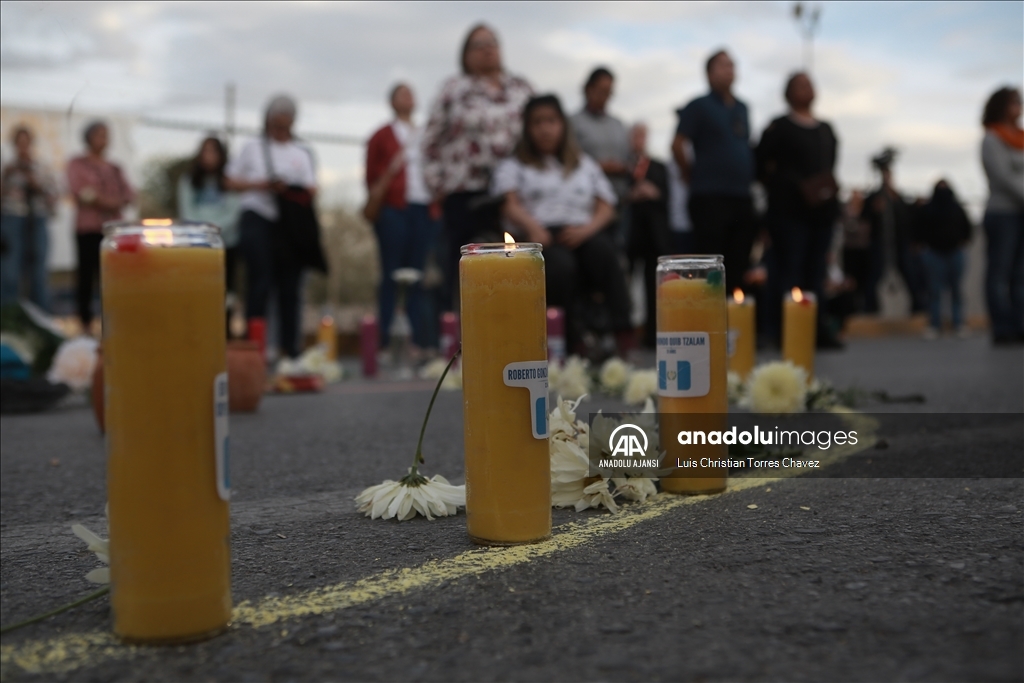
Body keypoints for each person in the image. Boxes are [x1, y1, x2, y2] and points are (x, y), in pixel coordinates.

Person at [491, 94, 632, 358]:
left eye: (551, 121)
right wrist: (532, 228)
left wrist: (588, 229)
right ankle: (571, 340)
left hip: (583, 232)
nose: (545, 129)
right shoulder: (514, 166)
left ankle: (622, 333)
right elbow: (508, 203)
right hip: (540, 236)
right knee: (559, 267)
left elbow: (607, 205)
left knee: (606, 254)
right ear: (527, 128)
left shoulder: (584, 164)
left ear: (563, 125)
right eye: (537, 122)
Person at [421, 24, 533, 308]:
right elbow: (430, 141)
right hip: (465, 192)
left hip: (516, 195)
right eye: (478, 44)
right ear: (465, 54)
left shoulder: (521, 88)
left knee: (516, 266)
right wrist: (437, 187)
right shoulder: (453, 89)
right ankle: (461, 330)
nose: (486, 49)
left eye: (492, 42)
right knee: (465, 270)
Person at [226, 95, 322, 359]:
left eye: (284, 126)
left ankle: (290, 350)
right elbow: (230, 181)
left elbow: (312, 188)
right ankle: (255, 347)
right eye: (275, 125)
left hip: (289, 225)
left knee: (290, 288)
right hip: (257, 215)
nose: (279, 131)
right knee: (261, 281)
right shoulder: (252, 147)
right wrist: (262, 185)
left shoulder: (301, 153)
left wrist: (287, 188)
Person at [756, 72, 842, 348]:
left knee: (817, 272)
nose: (807, 88)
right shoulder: (779, 127)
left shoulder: (826, 129)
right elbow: (760, 164)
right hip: (789, 214)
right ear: (788, 92)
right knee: (789, 270)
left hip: (821, 213)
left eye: (810, 83)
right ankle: (786, 331)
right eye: (800, 84)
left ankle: (817, 329)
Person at [365, 83, 441, 352]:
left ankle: (416, 340)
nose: (409, 97)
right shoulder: (381, 136)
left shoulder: (425, 134)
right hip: (393, 208)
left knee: (418, 276)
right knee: (392, 274)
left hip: (424, 208)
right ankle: (389, 340)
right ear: (392, 101)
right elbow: (371, 175)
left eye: (411, 92)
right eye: (402, 93)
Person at [671, 49, 755, 290]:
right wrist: (689, 173)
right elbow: (678, 143)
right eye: (722, 65)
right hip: (709, 196)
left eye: (732, 65)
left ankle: (735, 310)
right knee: (710, 266)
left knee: (739, 263)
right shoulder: (698, 106)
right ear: (709, 73)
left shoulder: (742, 108)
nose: (729, 70)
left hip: (740, 196)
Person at [66, 120, 135, 333]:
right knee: (86, 276)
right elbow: (81, 193)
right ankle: (85, 324)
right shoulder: (78, 164)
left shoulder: (115, 168)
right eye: (99, 134)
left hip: (113, 232)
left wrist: (110, 201)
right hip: (88, 228)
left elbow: (129, 194)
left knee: (113, 276)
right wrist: (108, 202)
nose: (104, 139)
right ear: (88, 138)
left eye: (106, 135)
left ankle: (113, 323)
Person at [980, 86, 1024, 345]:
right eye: (1013, 102)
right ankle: (1002, 328)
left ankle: (1020, 325)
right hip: (1003, 213)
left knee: (1021, 275)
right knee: (999, 273)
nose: (1018, 108)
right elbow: (1003, 177)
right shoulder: (992, 138)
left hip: (1021, 213)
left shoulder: (1021, 137)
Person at [861, 148, 926, 316]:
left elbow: (908, 218)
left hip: (900, 242)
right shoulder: (875, 197)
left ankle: (918, 305)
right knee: (875, 274)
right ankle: (870, 307)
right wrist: (874, 210)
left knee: (909, 273)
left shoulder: (898, 198)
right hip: (880, 242)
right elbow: (864, 216)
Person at [571, 67, 631, 245]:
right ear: (588, 89)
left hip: (620, 200)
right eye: (601, 90)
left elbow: (630, 158)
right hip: (587, 205)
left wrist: (623, 167)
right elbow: (567, 159)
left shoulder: (618, 125)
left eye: (609, 92)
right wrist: (599, 166)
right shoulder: (573, 123)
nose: (605, 96)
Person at [1, 126, 59, 310]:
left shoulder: (42, 167)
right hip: (11, 220)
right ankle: (8, 317)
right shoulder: (6, 168)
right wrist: (6, 177)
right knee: (9, 271)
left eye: (26, 143)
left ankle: (40, 316)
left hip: (37, 220)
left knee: (38, 273)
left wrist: (36, 184)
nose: (23, 147)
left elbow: (54, 199)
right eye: (19, 143)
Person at [177, 136, 241, 303]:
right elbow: (186, 212)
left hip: (226, 243)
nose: (209, 156)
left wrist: (215, 231)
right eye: (205, 151)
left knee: (225, 293)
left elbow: (234, 212)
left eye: (213, 151)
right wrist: (202, 232)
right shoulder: (189, 181)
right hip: (196, 245)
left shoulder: (230, 182)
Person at [625, 123, 670, 348]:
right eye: (635, 135)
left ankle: (653, 334)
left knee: (654, 285)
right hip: (630, 235)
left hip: (654, 236)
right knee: (627, 283)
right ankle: (627, 332)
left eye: (641, 135)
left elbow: (667, 196)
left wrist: (654, 192)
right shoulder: (624, 167)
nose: (638, 139)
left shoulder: (658, 166)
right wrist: (630, 194)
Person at [914, 180, 972, 339]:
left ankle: (958, 323)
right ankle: (935, 324)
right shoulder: (927, 210)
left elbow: (967, 228)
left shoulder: (957, 209)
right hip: (933, 253)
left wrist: (963, 242)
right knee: (934, 291)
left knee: (956, 291)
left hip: (954, 252)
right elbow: (918, 228)